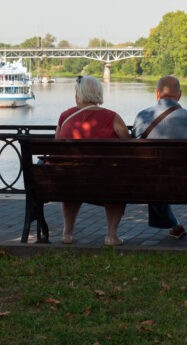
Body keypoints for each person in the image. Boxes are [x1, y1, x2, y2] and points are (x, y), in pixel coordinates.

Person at [131, 75, 187, 241]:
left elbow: (134, 151)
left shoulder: (141, 117)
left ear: (157, 93)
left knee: (151, 173)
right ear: (180, 95)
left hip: (150, 182)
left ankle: (173, 225)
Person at [55, 75, 131, 246]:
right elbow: (128, 145)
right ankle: (111, 236)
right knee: (117, 183)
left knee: (71, 181)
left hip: (70, 180)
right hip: (105, 181)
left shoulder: (64, 117)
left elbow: (56, 147)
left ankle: (67, 233)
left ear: (79, 94)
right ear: (98, 93)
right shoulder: (112, 117)